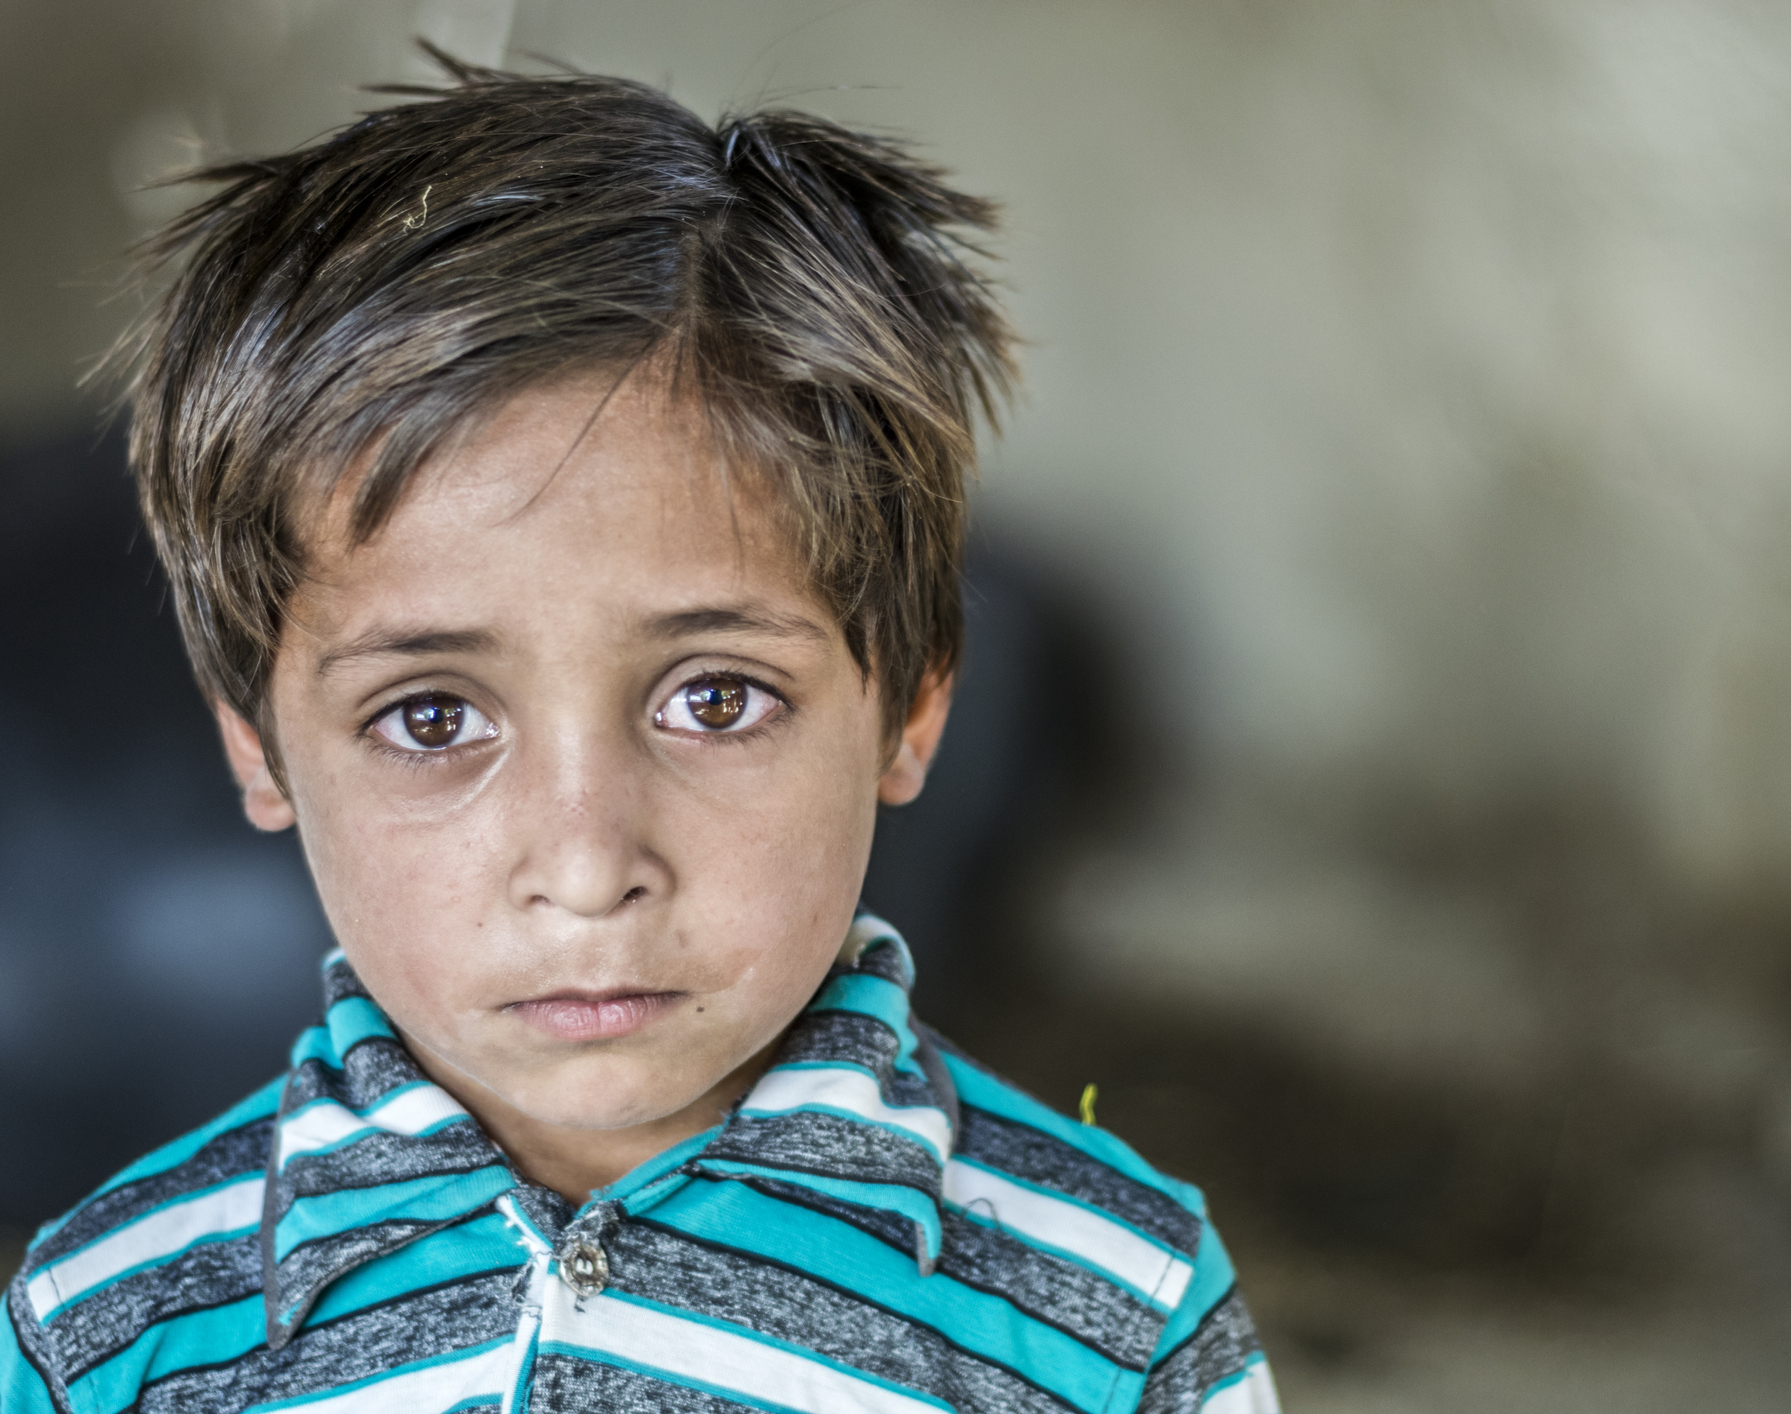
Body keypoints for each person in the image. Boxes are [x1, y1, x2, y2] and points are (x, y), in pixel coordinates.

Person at [0, 52, 1276, 1414]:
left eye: (713, 699)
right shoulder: (116, 1327)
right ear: (258, 747)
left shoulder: (1107, 1306)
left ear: (909, 703)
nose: (588, 860)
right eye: (432, 716)